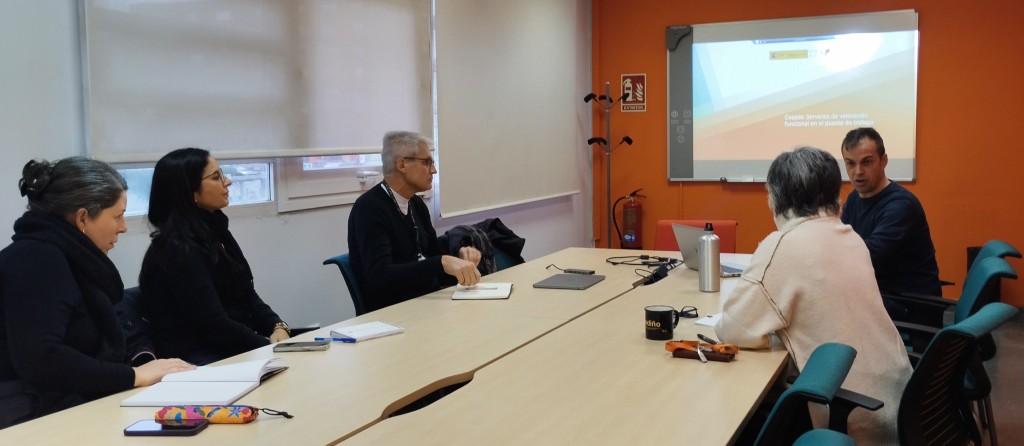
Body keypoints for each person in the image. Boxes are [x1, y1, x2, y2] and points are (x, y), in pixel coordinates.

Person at [715, 147, 911, 445]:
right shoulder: (850, 237)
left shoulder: (783, 244)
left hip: (850, 418)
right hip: (901, 405)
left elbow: (732, 329)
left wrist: (771, 332)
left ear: (775, 197)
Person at [0, 157, 194, 428]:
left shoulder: (64, 256)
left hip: (64, 407)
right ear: (82, 218)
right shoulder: (36, 260)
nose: (123, 227)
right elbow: (42, 360)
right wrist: (134, 376)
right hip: (32, 420)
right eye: (117, 216)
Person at [139, 148, 290, 365]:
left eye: (223, 173)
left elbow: (246, 294)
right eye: (216, 177)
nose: (228, 181)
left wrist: (277, 326)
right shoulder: (179, 251)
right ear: (190, 192)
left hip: (231, 348)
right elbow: (213, 324)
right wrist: (268, 348)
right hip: (200, 360)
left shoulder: (214, 231)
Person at [348, 131, 481, 313]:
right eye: (427, 162)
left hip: (427, 304)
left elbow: (432, 253)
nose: (433, 170)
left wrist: (459, 255)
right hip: (394, 314)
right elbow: (380, 277)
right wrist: (441, 262)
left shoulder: (416, 203)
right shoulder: (369, 209)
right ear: (402, 164)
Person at [840, 127, 941, 303]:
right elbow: (840, 239)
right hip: (880, 293)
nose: (858, 171)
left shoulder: (901, 205)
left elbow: (869, 256)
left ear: (883, 161)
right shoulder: (854, 198)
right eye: (850, 163)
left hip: (909, 305)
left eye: (867, 162)